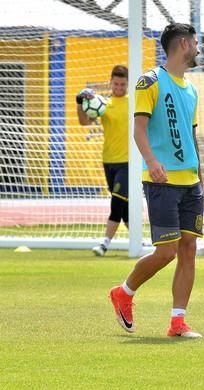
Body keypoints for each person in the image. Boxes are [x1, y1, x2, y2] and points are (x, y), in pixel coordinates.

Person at [108, 23, 204, 338]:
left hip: (190, 182)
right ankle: (124, 292)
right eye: (195, 42)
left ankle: (178, 322)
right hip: (161, 182)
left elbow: (191, 138)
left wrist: (202, 183)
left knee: (189, 249)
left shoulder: (192, 89)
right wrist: (152, 162)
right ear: (182, 44)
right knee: (166, 252)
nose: (198, 47)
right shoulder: (149, 81)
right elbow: (139, 129)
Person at [76, 65, 129, 256]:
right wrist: (80, 102)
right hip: (109, 161)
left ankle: (104, 244)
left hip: (129, 163)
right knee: (124, 206)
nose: (119, 87)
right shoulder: (103, 104)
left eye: (123, 84)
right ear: (111, 83)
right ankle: (141, 243)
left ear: (128, 84)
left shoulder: (134, 103)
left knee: (117, 200)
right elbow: (84, 122)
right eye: (116, 84)